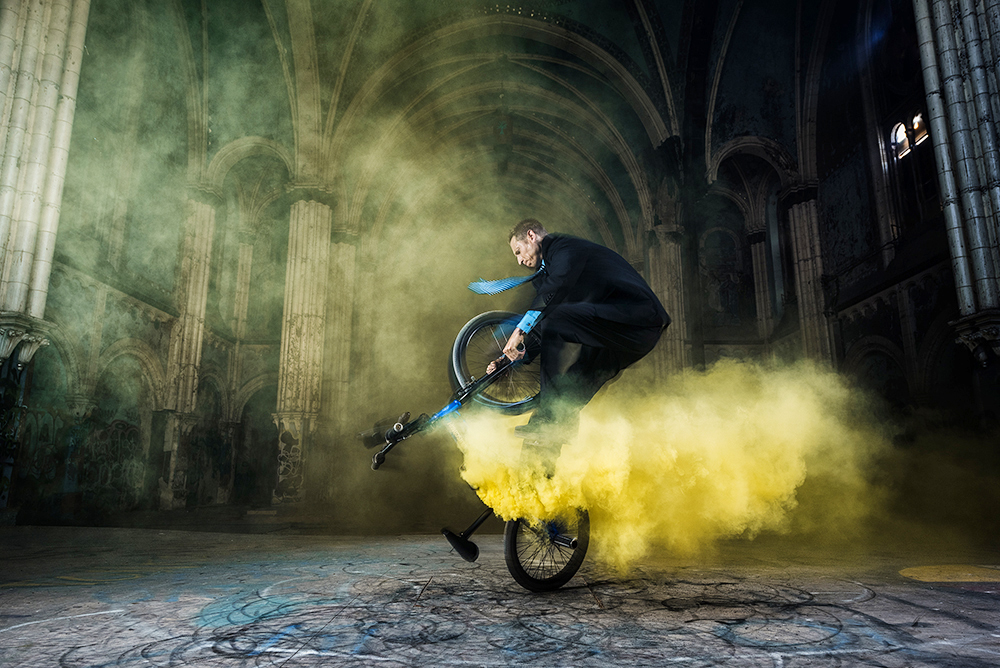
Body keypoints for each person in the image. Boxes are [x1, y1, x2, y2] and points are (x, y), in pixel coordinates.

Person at [485, 218, 670, 451]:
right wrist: (511, 359)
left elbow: (555, 292)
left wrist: (520, 330)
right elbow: (549, 325)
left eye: (519, 251)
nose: (520, 260)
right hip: (622, 333)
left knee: (552, 318)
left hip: (638, 317)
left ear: (531, 236)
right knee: (573, 386)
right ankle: (547, 453)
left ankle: (548, 423)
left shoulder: (565, 248)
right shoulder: (547, 271)